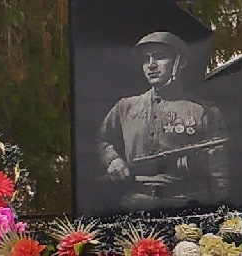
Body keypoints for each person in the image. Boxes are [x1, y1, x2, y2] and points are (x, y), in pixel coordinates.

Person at [97, 31, 230, 209]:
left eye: (160, 57)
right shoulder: (126, 107)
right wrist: (113, 160)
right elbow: (100, 139)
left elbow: (219, 173)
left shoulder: (204, 112)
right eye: (146, 59)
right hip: (137, 204)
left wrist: (222, 210)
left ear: (179, 63)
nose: (151, 65)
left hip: (187, 205)